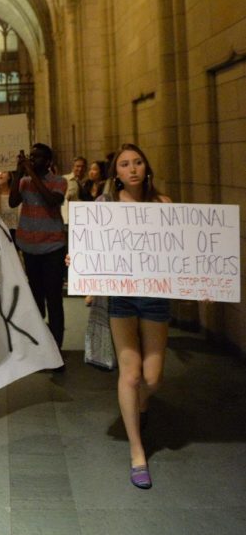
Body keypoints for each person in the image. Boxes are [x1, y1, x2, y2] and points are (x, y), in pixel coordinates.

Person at [98, 143, 172, 490]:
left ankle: (142, 404)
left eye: (138, 162)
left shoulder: (163, 205)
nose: (132, 169)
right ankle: (137, 452)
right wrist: (79, 263)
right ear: (116, 172)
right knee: (130, 374)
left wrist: (204, 277)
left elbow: (181, 251)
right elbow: (91, 245)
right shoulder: (106, 207)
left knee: (152, 378)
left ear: (147, 167)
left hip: (155, 296)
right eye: (125, 164)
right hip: (123, 298)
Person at [9, 143, 67, 355]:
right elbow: (13, 201)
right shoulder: (24, 182)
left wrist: (31, 173)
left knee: (53, 297)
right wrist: (18, 173)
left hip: (52, 247)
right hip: (30, 248)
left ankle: (56, 348)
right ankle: (39, 344)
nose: (33, 160)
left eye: (38, 157)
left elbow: (52, 201)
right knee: (35, 297)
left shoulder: (58, 182)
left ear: (48, 161)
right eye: (31, 157)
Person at [61, 156, 87, 226]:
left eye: (82, 166)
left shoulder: (88, 182)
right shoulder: (64, 179)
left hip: (84, 219)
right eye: (77, 166)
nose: (80, 169)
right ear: (72, 167)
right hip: (69, 219)